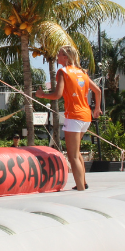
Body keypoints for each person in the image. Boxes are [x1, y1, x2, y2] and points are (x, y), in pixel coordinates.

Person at [36, 45, 101, 191]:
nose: (57, 57)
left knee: (72, 156)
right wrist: (97, 108)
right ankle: (82, 183)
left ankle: (80, 188)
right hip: (86, 116)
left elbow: (57, 95)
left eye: (59, 54)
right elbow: (97, 90)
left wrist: (42, 95)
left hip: (74, 116)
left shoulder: (63, 72)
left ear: (66, 57)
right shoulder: (82, 72)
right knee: (77, 153)